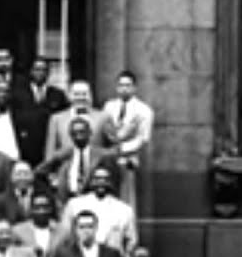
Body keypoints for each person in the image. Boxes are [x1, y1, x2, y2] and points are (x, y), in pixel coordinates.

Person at [101, 71, 155, 211]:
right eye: (121, 85)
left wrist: (121, 148)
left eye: (128, 85)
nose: (124, 89)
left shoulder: (144, 110)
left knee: (126, 198)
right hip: (108, 158)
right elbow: (104, 129)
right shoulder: (109, 106)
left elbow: (143, 138)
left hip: (128, 159)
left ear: (134, 88)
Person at [37, 116, 118, 205]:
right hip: (69, 201)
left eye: (82, 132)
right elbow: (39, 172)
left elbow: (115, 180)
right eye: (74, 133)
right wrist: (53, 190)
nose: (78, 136)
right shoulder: (63, 155)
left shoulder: (102, 155)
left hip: (95, 201)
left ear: (90, 132)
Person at [59, 165, 136, 255]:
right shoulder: (75, 205)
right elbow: (64, 235)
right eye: (97, 179)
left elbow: (131, 242)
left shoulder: (124, 210)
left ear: (110, 182)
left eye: (105, 179)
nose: (101, 183)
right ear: (91, 181)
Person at [16, 57, 70, 166]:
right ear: (31, 71)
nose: (40, 73)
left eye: (44, 70)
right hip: (25, 147)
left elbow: (64, 119)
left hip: (50, 146)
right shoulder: (18, 94)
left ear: (48, 73)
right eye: (37, 69)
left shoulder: (58, 95)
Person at [45, 80, 112, 160]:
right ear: (69, 96)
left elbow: (115, 147)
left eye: (84, 94)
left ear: (91, 96)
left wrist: (99, 155)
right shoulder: (56, 119)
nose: (81, 97)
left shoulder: (104, 117)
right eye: (76, 94)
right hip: (65, 166)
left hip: (94, 166)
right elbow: (50, 153)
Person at [12, 192, 65, 257]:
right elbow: (11, 253)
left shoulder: (62, 231)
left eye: (45, 207)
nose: (41, 211)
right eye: (37, 208)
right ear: (31, 210)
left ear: (51, 209)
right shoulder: (18, 231)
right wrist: (30, 251)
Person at [0, 161, 43, 227]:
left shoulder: (43, 197)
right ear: (12, 177)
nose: (22, 178)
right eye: (18, 174)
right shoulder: (0, 201)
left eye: (26, 174)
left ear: (32, 176)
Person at [0, 79, 21, 160]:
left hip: (13, 161)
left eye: (6, 91)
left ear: (10, 94)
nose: (2, 94)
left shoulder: (18, 116)